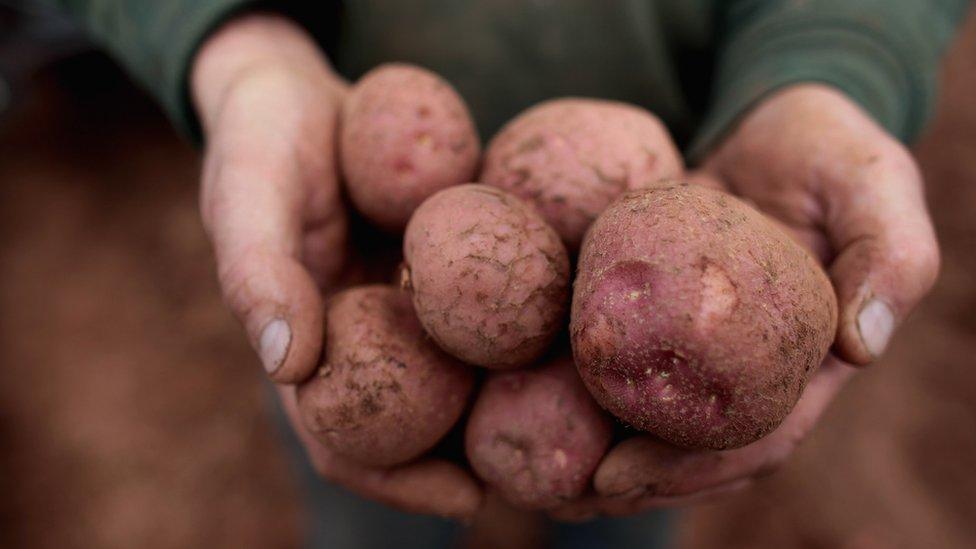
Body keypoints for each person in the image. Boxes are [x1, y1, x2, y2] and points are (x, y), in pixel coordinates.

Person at [48, 1, 970, 547]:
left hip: (697, 164)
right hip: (349, 242)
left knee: (629, 493)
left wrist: (837, 62)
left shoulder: (644, 252)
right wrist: (238, 48)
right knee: (369, 494)